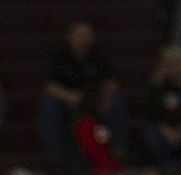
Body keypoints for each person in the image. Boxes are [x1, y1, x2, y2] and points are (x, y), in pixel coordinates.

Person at [39, 22, 128, 164]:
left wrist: (104, 100)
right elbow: (49, 85)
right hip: (68, 102)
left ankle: (118, 149)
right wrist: (68, 96)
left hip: (94, 101)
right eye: (80, 35)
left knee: (116, 101)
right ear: (70, 37)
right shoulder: (61, 55)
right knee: (50, 103)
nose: (84, 39)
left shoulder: (98, 55)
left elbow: (111, 83)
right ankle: (54, 154)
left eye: (87, 35)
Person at [141, 45, 181, 172]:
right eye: (169, 65)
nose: (172, 69)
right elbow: (151, 112)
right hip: (161, 127)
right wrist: (165, 129)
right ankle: (166, 168)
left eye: (176, 64)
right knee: (150, 133)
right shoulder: (156, 87)